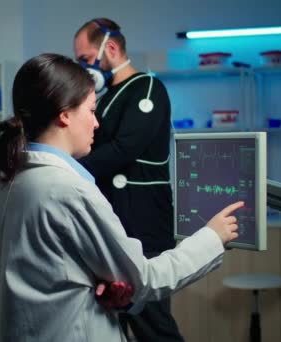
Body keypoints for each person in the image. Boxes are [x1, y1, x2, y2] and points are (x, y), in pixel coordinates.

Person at [0, 53, 243, 342]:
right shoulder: (68, 189)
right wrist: (212, 238)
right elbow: (144, 280)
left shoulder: (12, 181)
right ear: (64, 114)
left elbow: (47, 273)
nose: (96, 124)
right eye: (91, 111)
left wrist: (101, 283)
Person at [73, 18, 184, 341]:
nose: (83, 67)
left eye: (85, 59)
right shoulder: (104, 97)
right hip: (114, 228)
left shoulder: (148, 88)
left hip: (145, 228)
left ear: (110, 48)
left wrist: (68, 167)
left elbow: (124, 149)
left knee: (154, 326)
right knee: (114, 325)